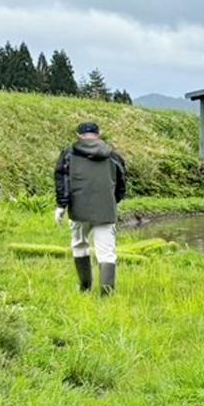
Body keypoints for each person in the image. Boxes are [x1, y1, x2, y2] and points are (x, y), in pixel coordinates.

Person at [54, 121, 129, 295]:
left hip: (78, 209)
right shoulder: (113, 156)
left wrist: (61, 205)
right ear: (99, 135)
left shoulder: (68, 154)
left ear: (78, 136)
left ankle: (85, 287)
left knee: (80, 246)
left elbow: (62, 182)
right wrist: (112, 202)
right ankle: (107, 294)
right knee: (107, 252)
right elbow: (121, 184)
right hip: (106, 210)